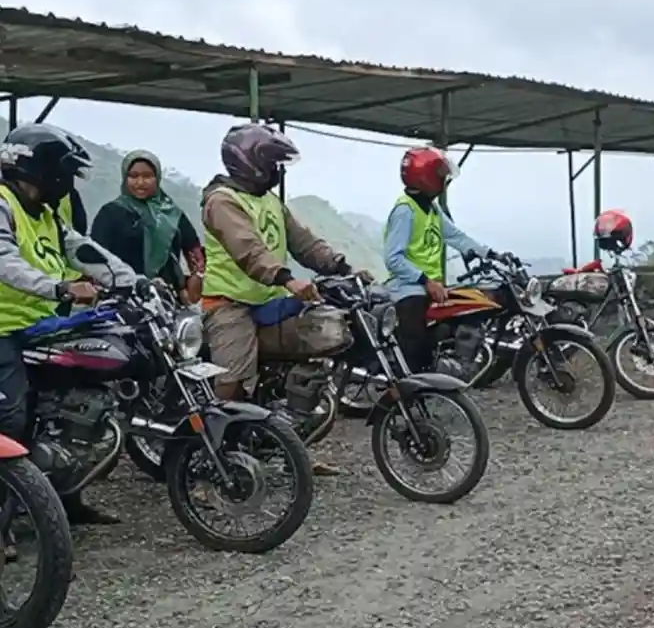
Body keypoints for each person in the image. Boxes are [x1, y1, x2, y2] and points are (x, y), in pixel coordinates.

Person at [200, 124, 369, 476]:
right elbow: (248, 249)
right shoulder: (222, 201)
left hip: (271, 300)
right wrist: (287, 278)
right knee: (232, 382)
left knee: (314, 349)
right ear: (248, 162)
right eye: (272, 162)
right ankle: (211, 468)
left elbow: (304, 242)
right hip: (230, 304)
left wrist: (343, 266)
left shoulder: (270, 201)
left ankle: (290, 450)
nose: (277, 171)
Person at [0, 123, 136, 526]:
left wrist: (135, 281)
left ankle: (63, 500)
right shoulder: (3, 203)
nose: (68, 182)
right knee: (12, 418)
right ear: (41, 169)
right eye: (65, 172)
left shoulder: (46, 215)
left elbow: (87, 252)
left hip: (43, 326)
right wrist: (59, 288)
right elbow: (4, 261)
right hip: (4, 329)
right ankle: (5, 515)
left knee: (78, 403)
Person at [383, 146, 512, 373]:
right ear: (426, 176)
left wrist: (491, 254)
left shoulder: (431, 209)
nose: (443, 180)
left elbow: (456, 236)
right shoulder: (405, 210)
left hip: (431, 287)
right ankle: (402, 395)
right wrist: (425, 281)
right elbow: (393, 258)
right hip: (408, 290)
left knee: (462, 313)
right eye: (440, 175)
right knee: (416, 350)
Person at [90, 150, 206, 305]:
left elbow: (194, 252)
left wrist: (194, 282)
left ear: (157, 178)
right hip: (123, 299)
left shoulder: (172, 214)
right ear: (125, 178)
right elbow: (95, 257)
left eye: (147, 176)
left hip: (167, 300)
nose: (140, 182)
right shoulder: (110, 213)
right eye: (133, 176)